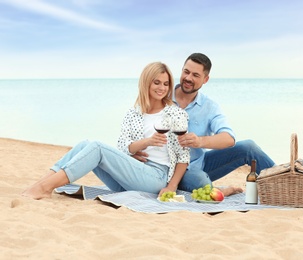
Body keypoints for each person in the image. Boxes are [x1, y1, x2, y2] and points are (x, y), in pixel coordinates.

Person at [22, 62, 190, 200]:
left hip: (155, 178)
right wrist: (146, 142)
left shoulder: (175, 113)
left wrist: (171, 187)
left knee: (97, 148)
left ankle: (45, 187)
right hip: (129, 177)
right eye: (157, 82)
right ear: (146, 83)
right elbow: (123, 147)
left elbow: (183, 156)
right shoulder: (134, 113)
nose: (162, 88)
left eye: (166, 84)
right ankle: (40, 184)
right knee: (84, 145)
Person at [132, 53, 275, 195]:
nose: (188, 78)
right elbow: (137, 128)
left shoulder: (209, 106)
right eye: (186, 72)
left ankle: (285, 177)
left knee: (249, 147)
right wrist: (134, 152)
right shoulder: (162, 95)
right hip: (170, 170)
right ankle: (219, 191)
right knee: (200, 181)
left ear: (205, 79)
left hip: (199, 163)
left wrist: (200, 141)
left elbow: (229, 139)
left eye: (195, 75)